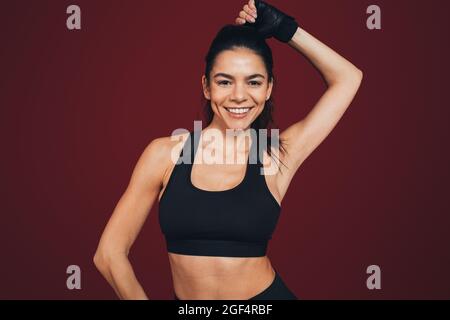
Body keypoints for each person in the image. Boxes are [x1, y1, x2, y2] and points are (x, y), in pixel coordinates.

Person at [93, 0, 363, 300]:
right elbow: (109, 254)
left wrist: (287, 30)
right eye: (224, 81)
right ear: (206, 87)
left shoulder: (278, 155)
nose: (239, 96)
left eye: (254, 82)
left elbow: (348, 78)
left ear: (269, 88)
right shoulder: (164, 154)